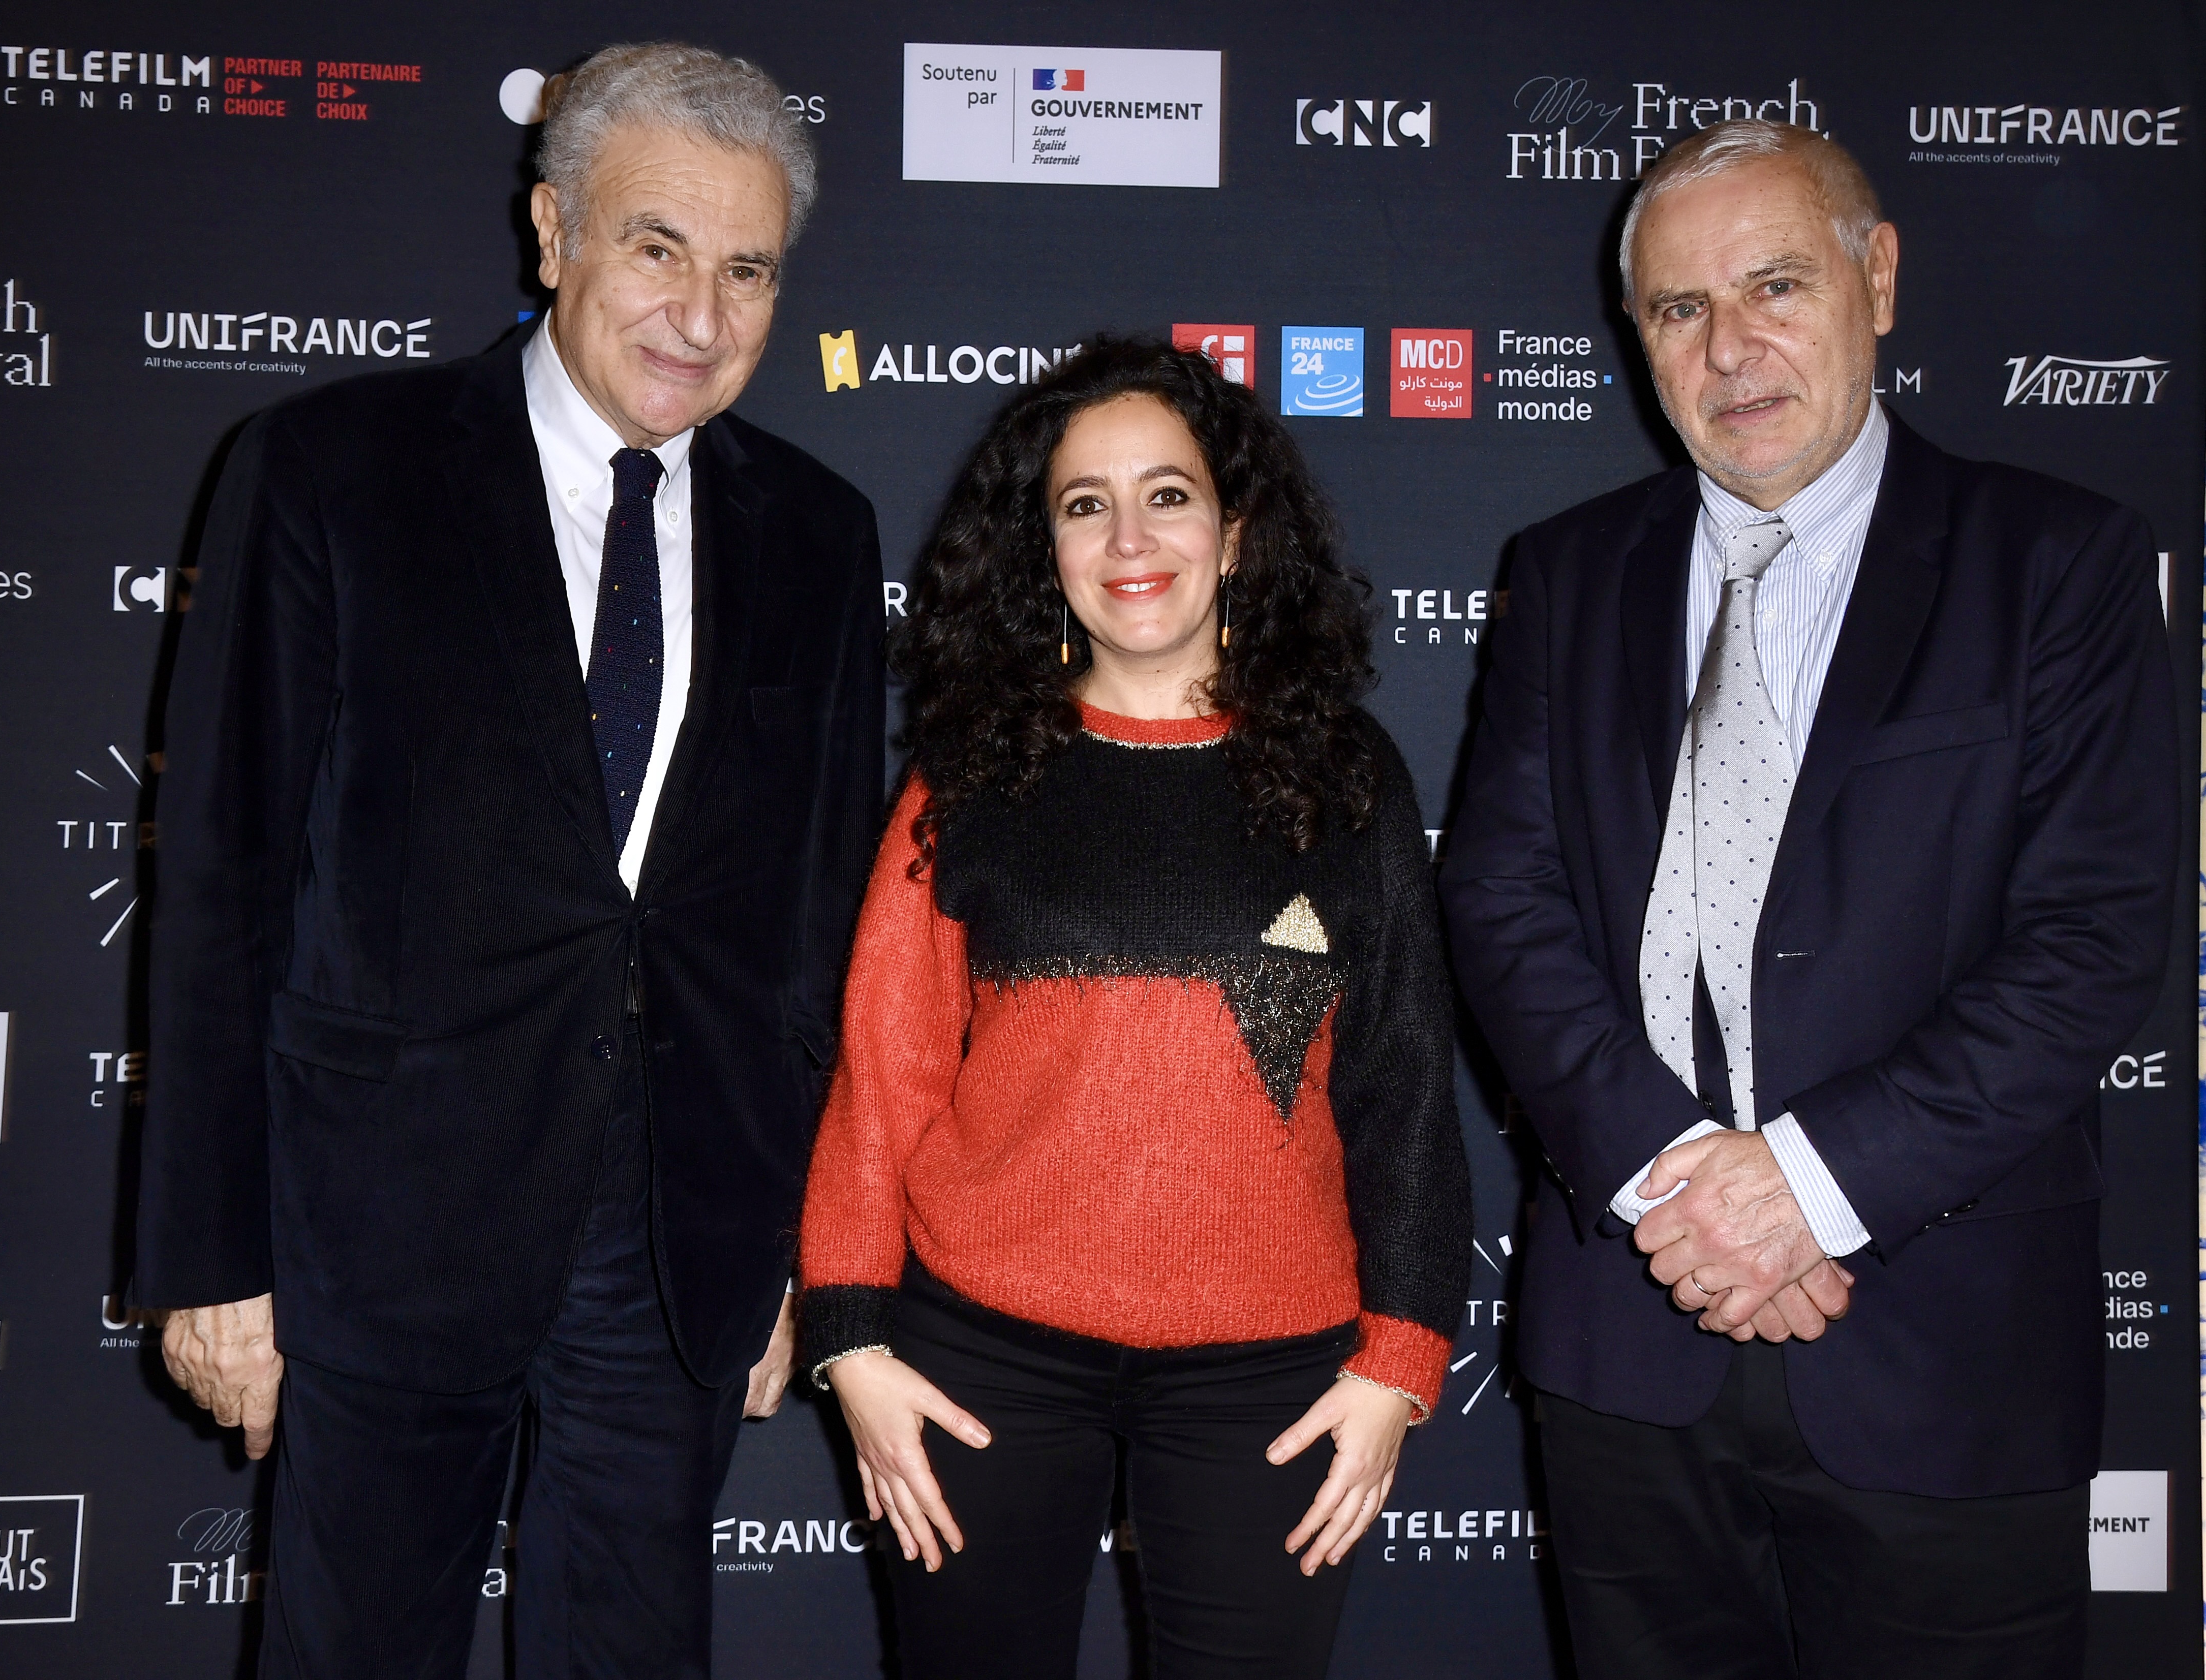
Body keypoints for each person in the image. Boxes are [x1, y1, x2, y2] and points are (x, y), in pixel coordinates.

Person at [131, 43, 886, 1679]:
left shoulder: (820, 534)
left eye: (748, 267)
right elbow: (225, 880)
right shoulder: (336, 468)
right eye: (655, 246)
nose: (701, 310)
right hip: (382, 1222)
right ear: (553, 234)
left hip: (677, 1240)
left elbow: (819, 927)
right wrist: (212, 1257)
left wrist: (790, 1259)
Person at [1443, 119, 2178, 1678]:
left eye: (1774, 284)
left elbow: (2095, 933)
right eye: (1678, 310)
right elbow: (1504, 903)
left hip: (1948, 1357)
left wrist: (1803, 1187)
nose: (1732, 348)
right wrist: (1673, 1180)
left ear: (1880, 275)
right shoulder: (1565, 575)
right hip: (1629, 1345)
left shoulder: (2063, 563)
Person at [795, 339, 1472, 1679]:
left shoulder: (1345, 775)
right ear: (1043, 547)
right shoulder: (975, 769)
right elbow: (887, 1065)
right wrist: (852, 1335)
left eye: (1168, 493)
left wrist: (1400, 1355)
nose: (1128, 536)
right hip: (981, 1357)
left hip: (1269, 1378)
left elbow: (1400, 1078)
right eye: (1083, 502)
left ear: (1239, 525)